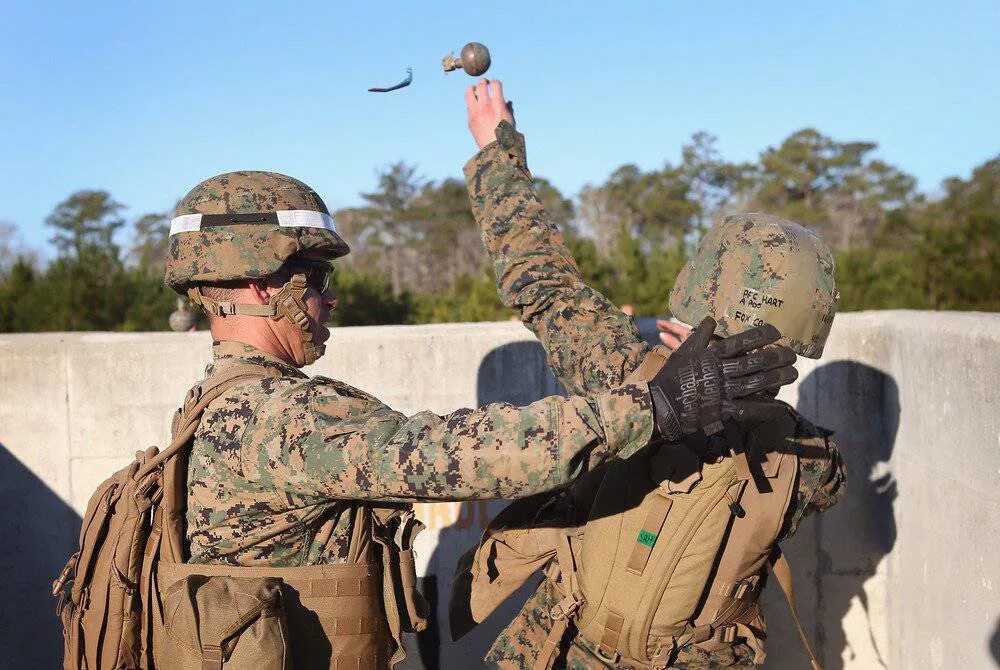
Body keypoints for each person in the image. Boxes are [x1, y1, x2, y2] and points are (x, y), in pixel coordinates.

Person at [160, 170, 798, 667]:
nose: (330, 298)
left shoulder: (230, 401)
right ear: (262, 285)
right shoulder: (273, 417)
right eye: (316, 275)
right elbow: (454, 454)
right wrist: (655, 408)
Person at [457, 78, 846, 669]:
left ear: (688, 312)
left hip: (564, 650)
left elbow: (539, 279)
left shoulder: (624, 376)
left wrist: (497, 148)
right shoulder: (812, 463)